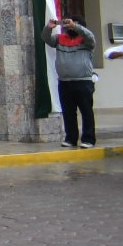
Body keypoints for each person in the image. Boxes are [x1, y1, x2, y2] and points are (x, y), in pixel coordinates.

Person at [44, 16, 97, 148]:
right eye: (68, 24)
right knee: (68, 112)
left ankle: (88, 139)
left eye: (73, 24)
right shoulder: (60, 39)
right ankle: (71, 138)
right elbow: (46, 39)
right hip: (65, 82)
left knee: (86, 111)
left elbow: (89, 35)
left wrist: (76, 26)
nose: (70, 26)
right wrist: (48, 28)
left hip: (83, 81)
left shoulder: (86, 41)